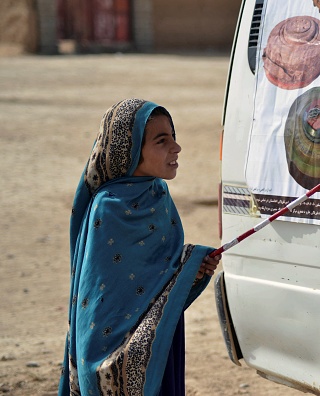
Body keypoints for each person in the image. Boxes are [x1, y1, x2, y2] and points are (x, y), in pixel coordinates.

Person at [59, 98, 221, 396]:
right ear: (130, 150)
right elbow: (105, 304)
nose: (176, 147)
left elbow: (161, 270)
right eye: (162, 140)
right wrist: (185, 268)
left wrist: (192, 267)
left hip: (159, 341)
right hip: (116, 348)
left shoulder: (158, 194)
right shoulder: (109, 210)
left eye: (174, 136)